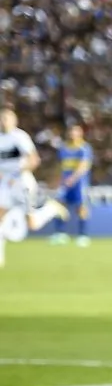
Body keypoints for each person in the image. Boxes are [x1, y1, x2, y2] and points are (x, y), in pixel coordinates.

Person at [0, 108, 67, 267]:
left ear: (14, 121)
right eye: (2, 118)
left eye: (7, 118)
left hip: (23, 183)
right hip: (7, 184)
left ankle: (51, 208)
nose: (3, 121)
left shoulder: (20, 137)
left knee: (33, 224)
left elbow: (34, 160)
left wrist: (17, 173)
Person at [51, 123, 93, 247]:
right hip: (65, 182)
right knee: (60, 205)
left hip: (79, 182)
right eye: (71, 131)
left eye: (76, 131)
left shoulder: (84, 148)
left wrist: (73, 178)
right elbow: (60, 166)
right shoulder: (64, 148)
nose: (73, 134)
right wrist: (58, 180)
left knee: (81, 207)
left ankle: (83, 235)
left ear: (80, 133)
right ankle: (60, 234)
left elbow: (83, 166)